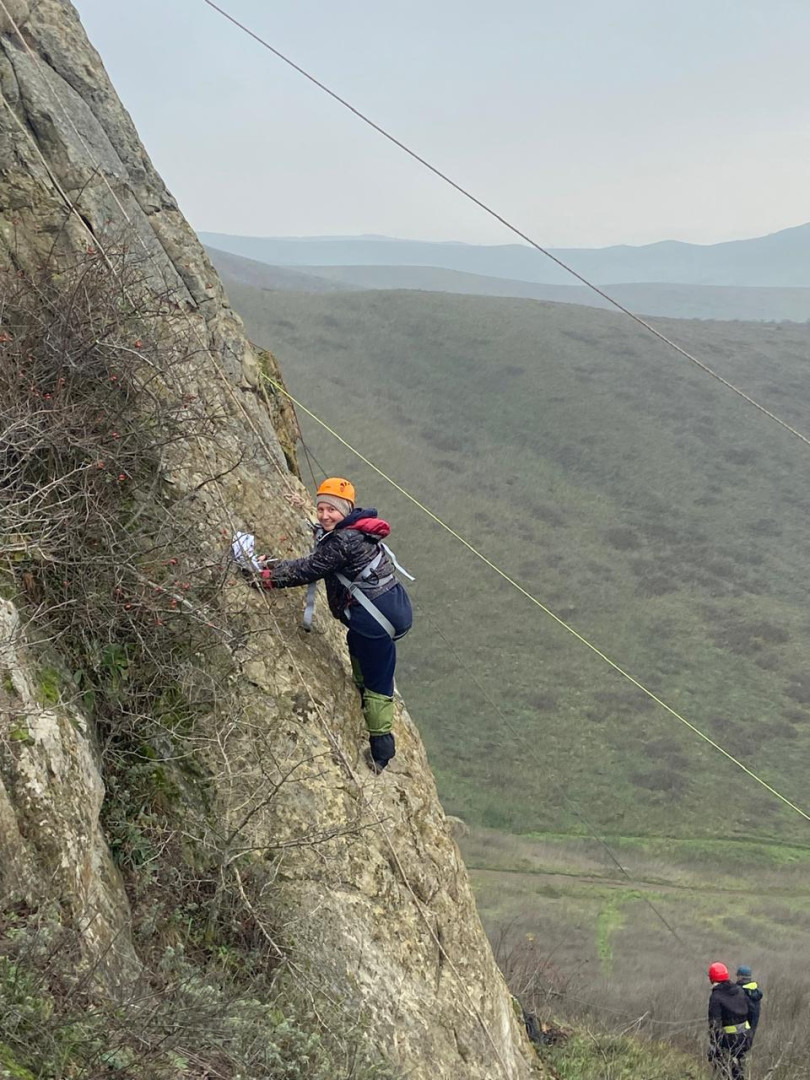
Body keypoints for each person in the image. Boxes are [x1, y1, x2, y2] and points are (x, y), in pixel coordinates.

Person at [244, 478, 412, 774]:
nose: (324, 515)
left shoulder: (344, 541)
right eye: (320, 508)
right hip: (387, 609)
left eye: (330, 510)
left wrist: (266, 577)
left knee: (379, 684)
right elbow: (325, 545)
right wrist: (307, 515)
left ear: (345, 510)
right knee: (355, 644)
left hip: (376, 621)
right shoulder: (356, 527)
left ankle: (382, 752)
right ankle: (361, 689)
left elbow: (309, 568)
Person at [707, 962, 750, 1080]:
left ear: (712, 978)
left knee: (724, 1072)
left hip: (727, 1041)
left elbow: (715, 1024)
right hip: (743, 1038)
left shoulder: (716, 996)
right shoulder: (739, 990)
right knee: (739, 1072)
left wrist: (714, 1046)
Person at [735, 966, 763, 1046]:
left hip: (739, 1031)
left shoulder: (739, 991)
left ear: (740, 977)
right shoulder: (755, 991)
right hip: (752, 1030)